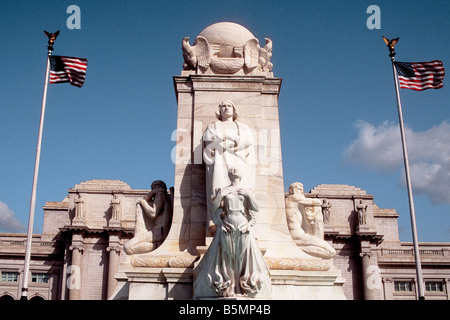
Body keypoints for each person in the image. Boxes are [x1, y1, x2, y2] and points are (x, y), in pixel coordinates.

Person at [193, 168, 271, 298]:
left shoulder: (247, 190)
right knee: (227, 255)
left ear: (241, 175)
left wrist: (248, 195)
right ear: (228, 175)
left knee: (240, 255)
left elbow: (256, 208)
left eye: (236, 170)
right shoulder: (224, 190)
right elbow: (214, 208)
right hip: (227, 223)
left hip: (242, 224)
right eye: (231, 170)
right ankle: (229, 286)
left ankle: (241, 287)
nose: (234, 170)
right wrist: (221, 195)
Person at [203, 100, 255, 233]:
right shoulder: (214, 126)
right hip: (220, 158)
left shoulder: (242, 127)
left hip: (239, 158)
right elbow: (209, 140)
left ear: (234, 109)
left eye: (229, 106)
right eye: (223, 106)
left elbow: (248, 141)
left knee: (240, 187)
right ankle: (216, 219)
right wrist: (225, 143)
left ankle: (243, 217)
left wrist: (229, 144)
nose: (226, 108)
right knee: (218, 185)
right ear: (219, 110)